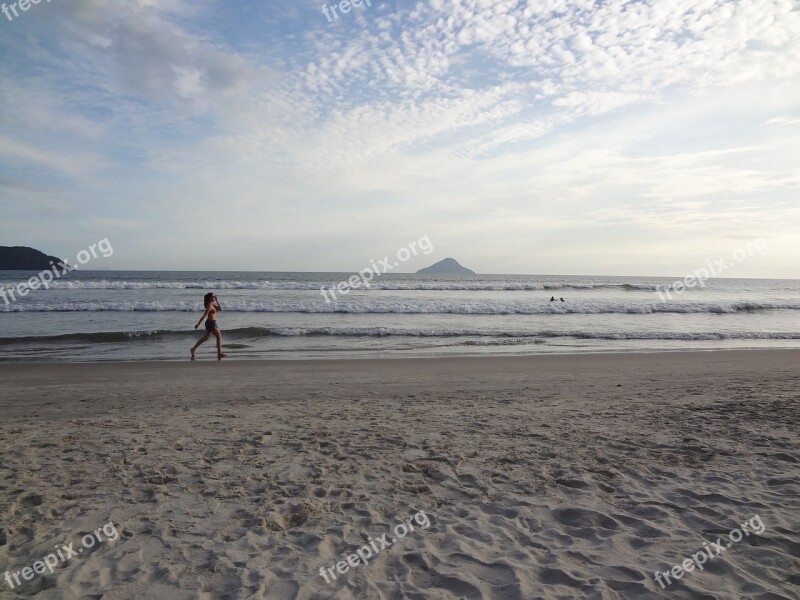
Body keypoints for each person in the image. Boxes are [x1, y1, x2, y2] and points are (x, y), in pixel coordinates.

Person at [191, 293, 226, 360]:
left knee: (205, 338)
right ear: (210, 298)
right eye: (213, 296)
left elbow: (220, 309)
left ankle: (193, 349)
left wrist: (216, 300)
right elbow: (204, 315)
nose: (214, 297)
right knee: (219, 337)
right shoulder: (209, 305)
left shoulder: (212, 304)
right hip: (211, 323)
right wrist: (198, 324)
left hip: (213, 322)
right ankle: (219, 353)